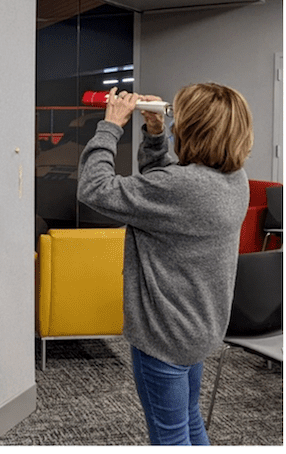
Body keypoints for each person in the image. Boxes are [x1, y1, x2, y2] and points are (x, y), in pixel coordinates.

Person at [77, 84, 253, 445]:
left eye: (176, 117)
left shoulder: (180, 188)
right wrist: (155, 134)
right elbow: (164, 186)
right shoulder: (235, 180)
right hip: (198, 329)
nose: (174, 123)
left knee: (170, 439)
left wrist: (110, 125)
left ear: (193, 128)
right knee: (189, 421)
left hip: (164, 337)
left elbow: (93, 188)